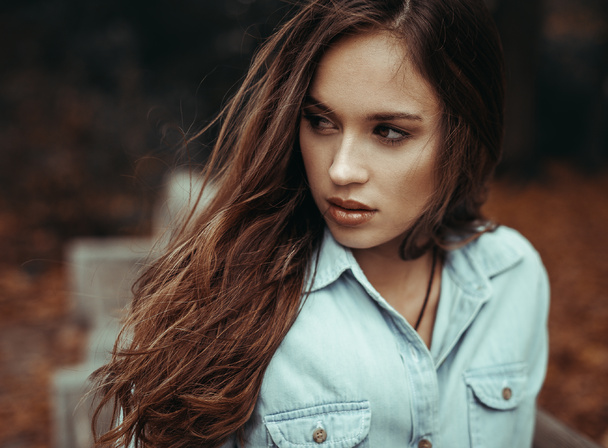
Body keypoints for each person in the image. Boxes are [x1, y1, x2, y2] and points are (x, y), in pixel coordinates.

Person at [92, 0, 549, 447]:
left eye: (389, 131)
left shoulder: (511, 278)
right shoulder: (225, 297)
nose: (341, 170)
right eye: (321, 121)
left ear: (464, 133)